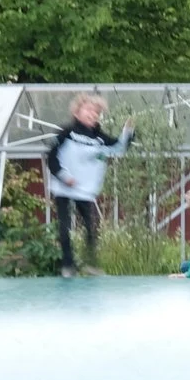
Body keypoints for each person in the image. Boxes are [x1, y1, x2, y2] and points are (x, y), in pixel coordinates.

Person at [45, 94, 132, 278]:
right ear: (76, 112)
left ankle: (91, 264)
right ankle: (68, 265)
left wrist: (127, 133)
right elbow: (51, 157)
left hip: (83, 189)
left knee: (91, 226)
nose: (93, 114)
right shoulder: (67, 132)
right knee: (65, 225)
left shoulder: (99, 137)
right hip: (64, 186)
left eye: (97, 112)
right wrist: (63, 176)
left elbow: (118, 147)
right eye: (89, 110)